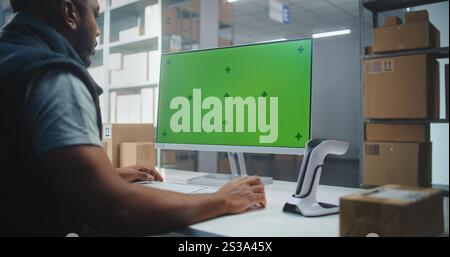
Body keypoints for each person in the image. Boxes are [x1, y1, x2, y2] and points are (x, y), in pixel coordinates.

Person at [0, 0, 266, 236]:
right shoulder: (53, 77)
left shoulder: (10, 58)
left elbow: (18, 172)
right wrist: (223, 200)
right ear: (70, 13)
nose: (98, 30)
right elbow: (117, 209)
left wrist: (107, 176)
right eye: (96, 15)